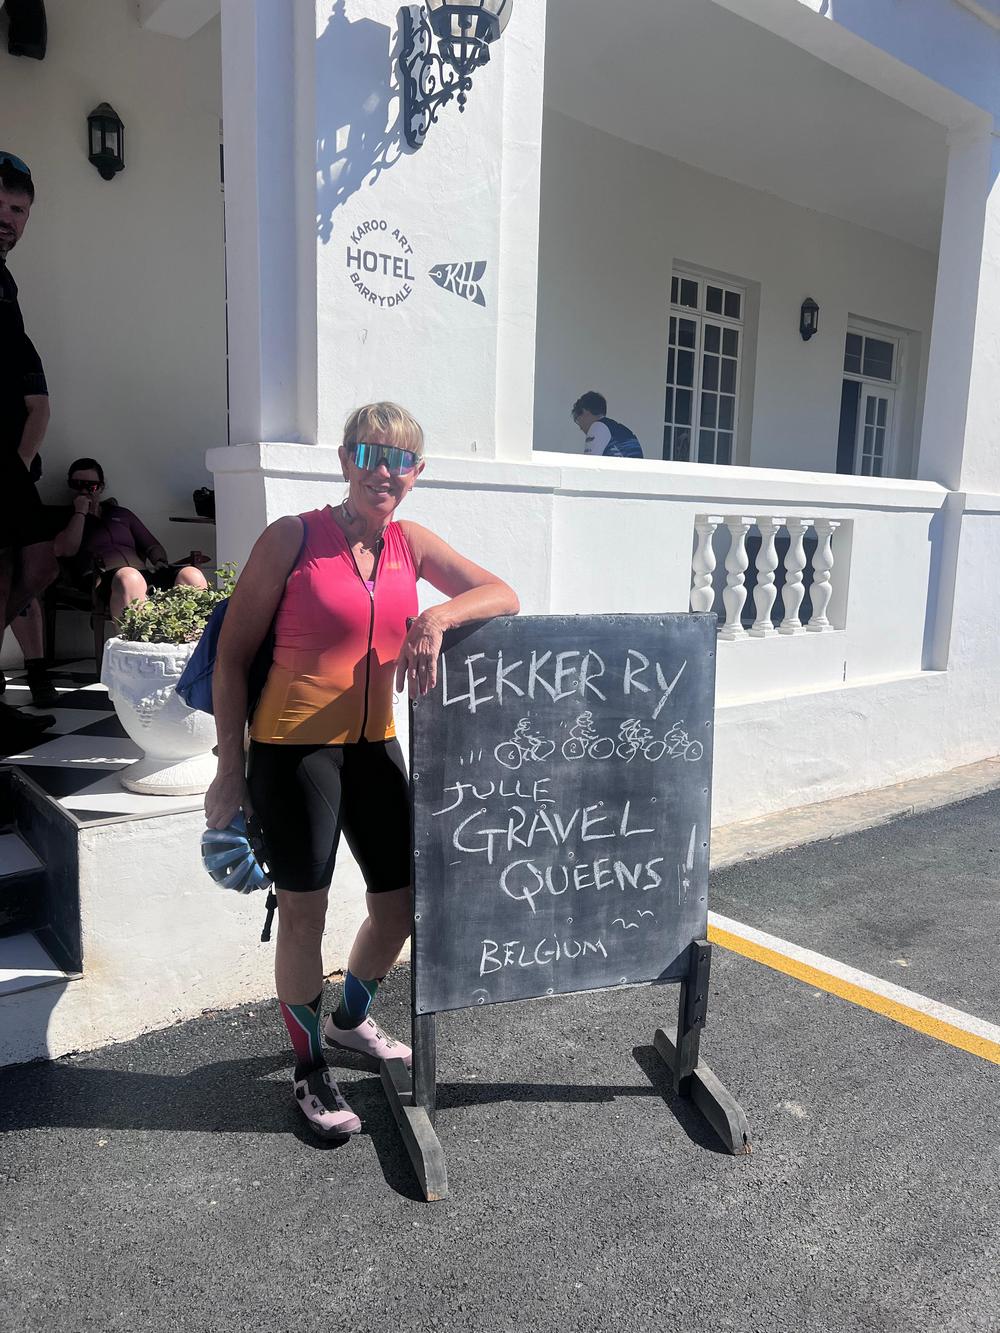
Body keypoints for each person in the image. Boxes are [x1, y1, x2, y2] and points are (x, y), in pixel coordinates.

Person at [205, 402, 519, 1139]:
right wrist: (228, 768)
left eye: (400, 459)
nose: (385, 471)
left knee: (401, 904)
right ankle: (309, 1068)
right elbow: (232, 657)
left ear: (417, 472)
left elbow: (502, 594)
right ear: (345, 460)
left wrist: (434, 619)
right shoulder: (293, 537)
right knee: (304, 914)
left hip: (375, 747)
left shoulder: (411, 543)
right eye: (370, 454)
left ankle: (347, 1019)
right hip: (293, 753)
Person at [0, 150, 59, 751]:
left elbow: (38, 402)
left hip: (8, 464)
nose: (7, 218)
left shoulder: (6, 287)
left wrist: (16, 466)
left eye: (17, 210)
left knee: (36, 565)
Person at [57, 459, 209, 621]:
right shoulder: (65, 517)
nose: (84, 491)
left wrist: (159, 560)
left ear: (100, 487)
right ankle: (137, 636)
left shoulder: (121, 514)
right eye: (77, 485)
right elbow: (65, 550)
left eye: (91, 486)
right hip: (101, 580)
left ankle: (196, 636)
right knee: (129, 577)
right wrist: (80, 513)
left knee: (191, 575)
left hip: (142, 574)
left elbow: (152, 545)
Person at [571, 391, 643, 459]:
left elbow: (590, 464)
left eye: (577, 420)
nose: (581, 428)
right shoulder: (620, 429)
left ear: (585, 412)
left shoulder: (597, 427)